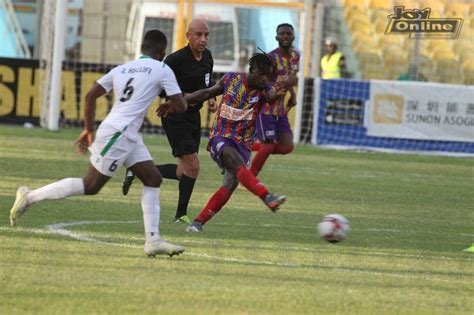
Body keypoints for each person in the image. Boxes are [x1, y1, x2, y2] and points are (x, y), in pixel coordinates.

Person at [9, 30, 187, 257]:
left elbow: (90, 95)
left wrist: (87, 128)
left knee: (153, 178)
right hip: (119, 133)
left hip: (125, 133)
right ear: (163, 51)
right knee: (91, 185)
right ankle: (30, 196)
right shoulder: (163, 69)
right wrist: (172, 103)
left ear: (143, 48)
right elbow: (181, 105)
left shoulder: (123, 68)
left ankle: (153, 241)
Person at [157, 53, 287, 233]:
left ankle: (198, 222)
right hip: (221, 136)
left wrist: (278, 92)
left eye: (269, 76)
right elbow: (205, 93)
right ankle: (267, 196)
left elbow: (272, 96)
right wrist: (178, 102)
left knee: (230, 182)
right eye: (263, 74)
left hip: (243, 143)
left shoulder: (264, 89)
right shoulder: (231, 79)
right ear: (253, 70)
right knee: (231, 158)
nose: (266, 79)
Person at [122, 19, 216, 225]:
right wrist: (186, 96)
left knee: (184, 171)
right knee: (193, 166)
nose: (203, 39)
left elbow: (207, 84)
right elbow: (161, 87)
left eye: (206, 35)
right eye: (199, 34)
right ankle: (180, 215)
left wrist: (211, 100)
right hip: (175, 116)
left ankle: (137, 170)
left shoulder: (208, 57)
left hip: (193, 117)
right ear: (188, 36)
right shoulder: (175, 60)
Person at [249, 23, 299, 177]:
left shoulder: (296, 56)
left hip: (281, 109)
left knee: (287, 146)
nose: (285, 36)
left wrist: (292, 93)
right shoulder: (271, 57)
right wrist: (282, 85)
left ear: (293, 36)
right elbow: (261, 80)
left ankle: (248, 145)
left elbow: (291, 76)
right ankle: (248, 178)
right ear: (276, 37)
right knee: (268, 147)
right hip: (267, 107)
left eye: (288, 34)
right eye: (282, 34)